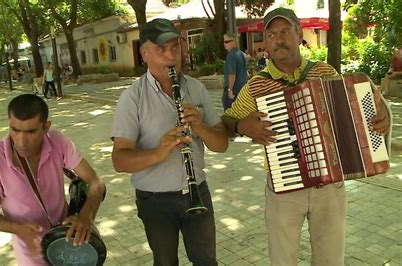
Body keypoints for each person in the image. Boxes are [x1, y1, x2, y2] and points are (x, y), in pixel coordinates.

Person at [221, 8, 392, 265]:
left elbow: (357, 115)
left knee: (331, 259)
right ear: (265, 42)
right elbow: (225, 121)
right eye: (271, 34)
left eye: (285, 32)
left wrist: (383, 118)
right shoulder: (256, 85)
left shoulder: (325, 72)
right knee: (283, 259)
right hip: (284, 189)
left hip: (330, 186)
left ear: (299, 34)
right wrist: (240, 126)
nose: (279, 39)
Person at [111, 18, 228, 265]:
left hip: (198, 191)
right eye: (161, 49)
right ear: (144, 53)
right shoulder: (132, 98)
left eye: (175, 47)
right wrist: (158, 152)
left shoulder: (197, 89)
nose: (170, 56)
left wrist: (200, 127)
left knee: (207, 261)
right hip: (155, 201)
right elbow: (119, 160)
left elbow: (221, 144)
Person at [0, 94, 106, 265]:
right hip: (31, 254)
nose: (22, 141)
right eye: (15, 130)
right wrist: (17, 228)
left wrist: (86, 216)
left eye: (31, 131)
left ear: (46, 127)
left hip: (68, 244)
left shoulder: (58, 141)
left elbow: (96, 182)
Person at [222, 33, 248, 110]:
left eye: (227, 42)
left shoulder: (231, 55)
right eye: (224, 42)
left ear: (233, 42)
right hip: (242, 90)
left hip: (233, 91)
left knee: (229, 115)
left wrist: (230, 89)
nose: (224, 44)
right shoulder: (241, 54)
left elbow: (232, 74)